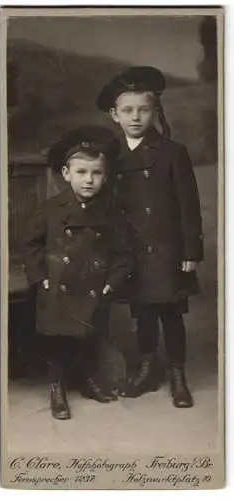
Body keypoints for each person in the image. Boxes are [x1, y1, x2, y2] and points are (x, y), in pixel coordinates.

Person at [96, 66, 204, 408]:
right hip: (132, 252)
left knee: (171, 314)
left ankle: (177, 374)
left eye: (143, 109)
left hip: (167, 249)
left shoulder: (173, 152)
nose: (136, 117)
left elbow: (188, 205)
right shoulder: (110, 156)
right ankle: (146, 366)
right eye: (127, 110)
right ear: (115, 115)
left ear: (155, 111)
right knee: (142, 313)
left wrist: (191, 249)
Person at [23, 126, 133, 420]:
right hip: (58, 285)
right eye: (82, 172)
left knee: (88, 338)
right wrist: (41, 277)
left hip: (94, 286)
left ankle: (87, 381)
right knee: (58, 342)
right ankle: (57, 389)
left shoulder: (110, 212)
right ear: (66, 173)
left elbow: (124, 252)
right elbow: (30, 245)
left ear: (105, 176)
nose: (89, 180)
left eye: (96, 173)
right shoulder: (50, 209)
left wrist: (112, 283)